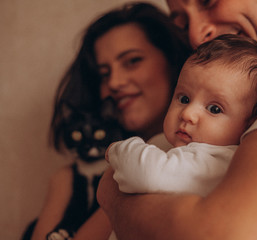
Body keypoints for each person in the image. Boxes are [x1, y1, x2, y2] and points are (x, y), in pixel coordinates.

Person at [97, 0, 257, 239]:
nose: (196, 34)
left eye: (207, 2)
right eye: (183, 22)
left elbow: (230, 234)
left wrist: (112, 195)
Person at [28, 2, 190, 240]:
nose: (113, 82)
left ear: (173, 60)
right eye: (104, 74)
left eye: (132, 60)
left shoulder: (213, 154)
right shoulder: (72, 179)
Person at [106, 34, 257, 198]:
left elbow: (145, 173)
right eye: (184, 98)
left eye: (214, 109)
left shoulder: (219, 162)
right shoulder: (164, 142)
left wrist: (116, 150)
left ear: (249, 125)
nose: (187, 114)